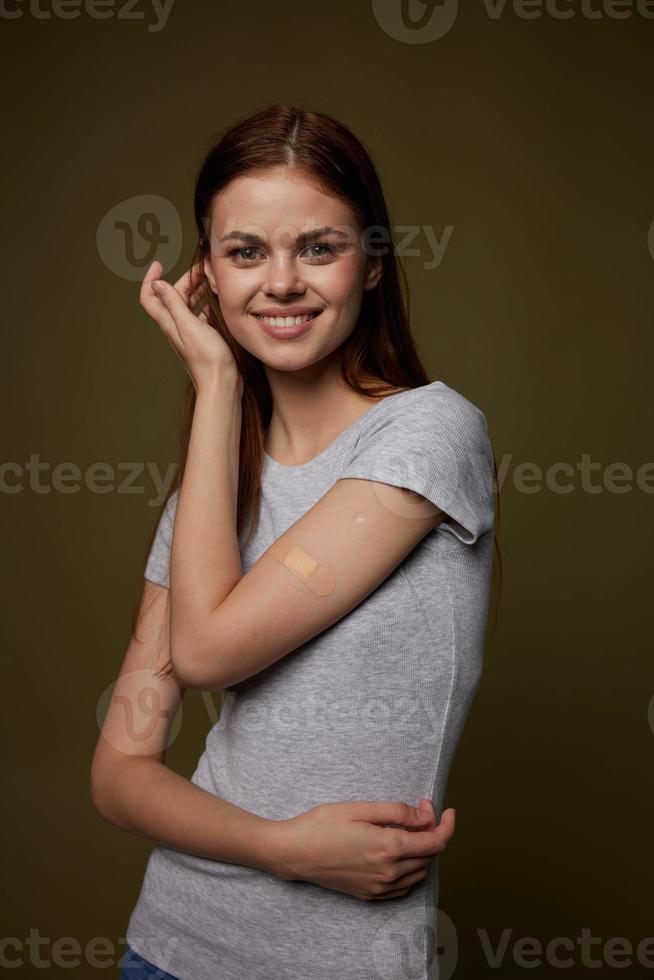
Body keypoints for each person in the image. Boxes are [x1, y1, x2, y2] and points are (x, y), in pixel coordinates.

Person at [91, 103, 499, 980]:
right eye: (247, 252)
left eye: (319, 246)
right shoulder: (210, 492)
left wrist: (214, 385)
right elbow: (120, 771)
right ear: (209, 275)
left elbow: (204, 651)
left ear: (375, 264)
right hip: (167, 949)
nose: (281, 282)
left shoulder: (430, 434)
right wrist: (281, 847)